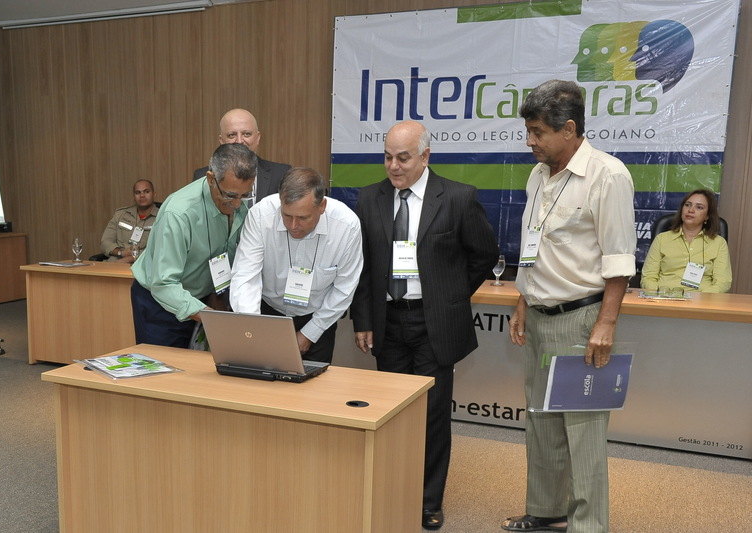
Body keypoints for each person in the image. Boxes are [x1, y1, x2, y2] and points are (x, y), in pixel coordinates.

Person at [350, 120, 498, 530]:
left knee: (431, 415)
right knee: (391, 413)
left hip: (434, 323)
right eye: (387, 157)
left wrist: (449, 296)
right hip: (388, 322)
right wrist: (363, 319)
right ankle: (394, 491)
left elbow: (483, 254)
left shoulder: (458, 197)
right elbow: (362, 266)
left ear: (425, 156)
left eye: (403, 158)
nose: (393, 166)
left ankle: (428, 500)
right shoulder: (370, 198)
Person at [503, 80, 637, 533]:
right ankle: (546, 510)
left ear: (569, 129)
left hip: (581, 320)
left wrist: (606, 322)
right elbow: (534, 247)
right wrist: (524, 300)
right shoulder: (538, 175)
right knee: (540, 421)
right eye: (528, 131)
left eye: (538, 132)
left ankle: (588, 526)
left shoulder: (607, 175)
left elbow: (619, 260)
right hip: (540, 316)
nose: (530, 141)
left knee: (582, 432)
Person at [230, 167, 363, 363]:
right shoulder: (260, 216)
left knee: (315, 379)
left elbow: (345, 288)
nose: (293, 226)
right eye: (287, 215)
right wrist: (254, 328)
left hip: (319, 316)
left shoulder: (346, 226)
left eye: (302, 218)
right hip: (268, 311)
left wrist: (311, 332)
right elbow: (245, 276)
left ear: (322, 206)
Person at [130, 143, 257, 348]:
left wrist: (215, 295)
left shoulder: (236, 201)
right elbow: (163, 284)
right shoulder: (179, 214)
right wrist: (211, 317)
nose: (236, 204)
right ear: (210, 179)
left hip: (201, 301)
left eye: (244, 195)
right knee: (166, 367)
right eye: (230, 195)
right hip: (160, 305)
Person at [641, 189, 732, 293]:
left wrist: (701, 299)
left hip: (702, 299)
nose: (691, 210)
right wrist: (661, 295)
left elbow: (723, 282)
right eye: (687, 205)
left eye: (699, 207)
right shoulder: (662, 239)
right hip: (664, 297)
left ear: (707, 215)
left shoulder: (718, 243)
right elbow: (648, 277)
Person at [192, 108, 290, 204]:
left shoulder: (282, 174)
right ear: (221, 141)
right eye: (232, 135)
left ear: (257, 138)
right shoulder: (202, 177)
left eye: (246, 134)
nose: (239, 141)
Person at [99, 179, 158, 262]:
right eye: (137, 192)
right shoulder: (120, 214)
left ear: (154, 194)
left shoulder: (162, 218)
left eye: (146, 192)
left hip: (145, 264)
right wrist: (121, 253)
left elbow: (161, 249)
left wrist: (131, 258)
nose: (142, 195)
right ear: (133, 196)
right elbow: (105, 242)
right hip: (115, 261)